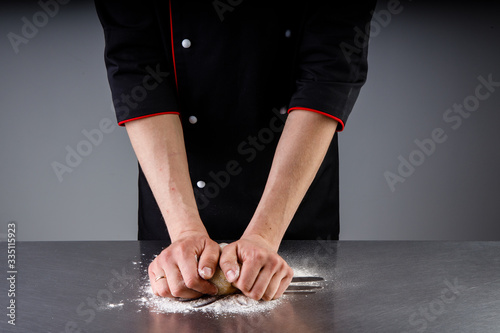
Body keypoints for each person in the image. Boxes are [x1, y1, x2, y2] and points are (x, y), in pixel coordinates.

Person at [95, 0, 376, 301]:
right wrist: (184, 230)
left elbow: (330, 71)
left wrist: (264, 235)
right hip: (175, 199)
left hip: (293, 201)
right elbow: (135, 66)